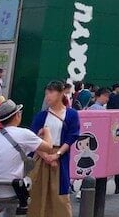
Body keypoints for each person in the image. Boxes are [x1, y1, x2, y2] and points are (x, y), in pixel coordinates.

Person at [0, 100, 57, 217]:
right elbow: (49, 147)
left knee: (9, 183)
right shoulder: (24, 134)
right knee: (25, 183)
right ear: (17, 115)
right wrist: (47, 131)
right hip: (10, 190)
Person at [30, 80, 80, 217]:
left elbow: (72, 136)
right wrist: (45, 156)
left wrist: (57, 154)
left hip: (60, 158)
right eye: (46, 93)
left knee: (60, 194)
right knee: (38, 192)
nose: (48, 96)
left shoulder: (71, 114)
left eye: (51, 92)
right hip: (41, 157)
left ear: (61, 93)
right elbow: (32, 139)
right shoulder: (41, 116)